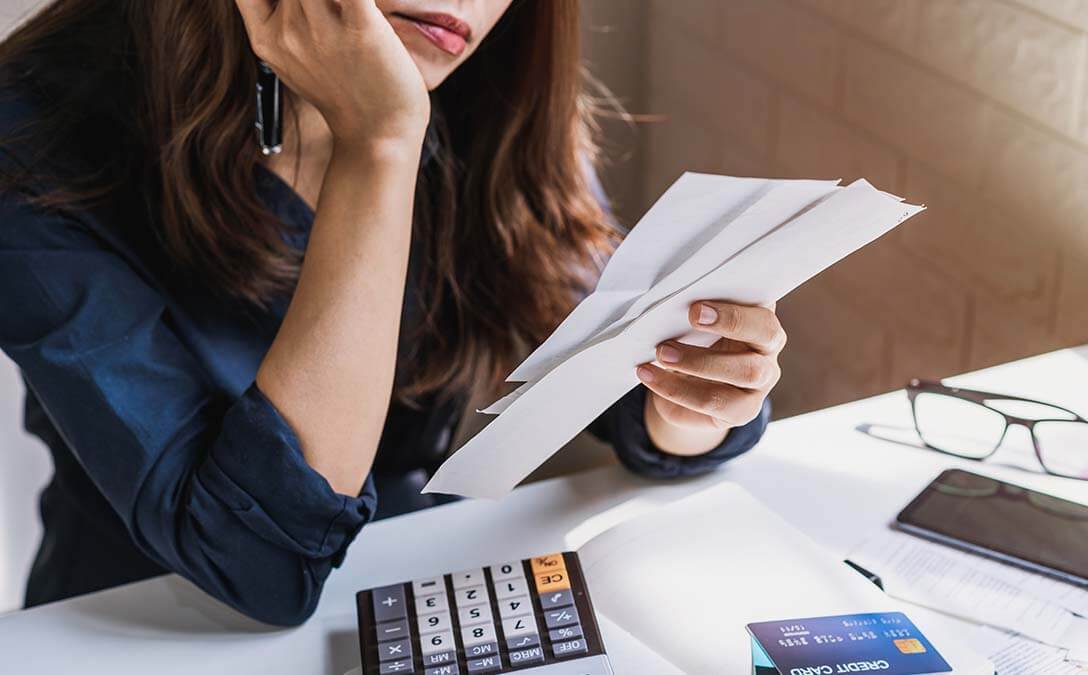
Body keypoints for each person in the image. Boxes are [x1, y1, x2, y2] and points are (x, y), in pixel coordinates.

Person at [0, 0, 786, 626]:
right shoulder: (33, 134)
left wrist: (692, 400)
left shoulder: (478, 88)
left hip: (412, 604)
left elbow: (612, 377)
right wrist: (378, 144)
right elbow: (259, 565)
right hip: (135, 628)